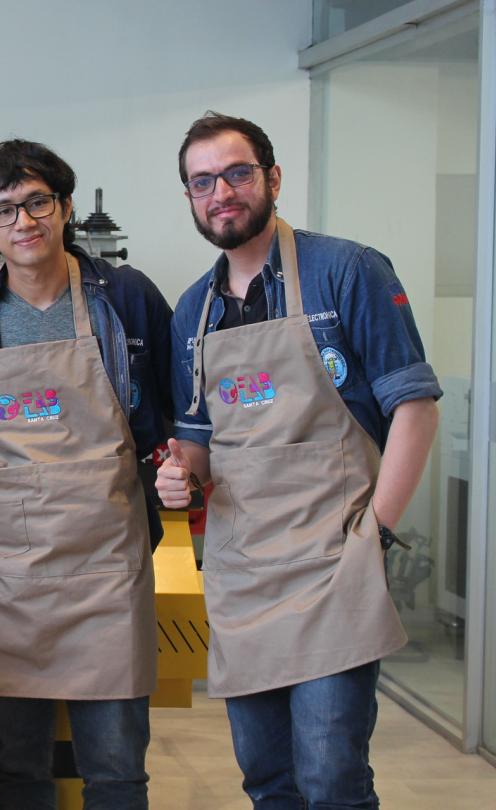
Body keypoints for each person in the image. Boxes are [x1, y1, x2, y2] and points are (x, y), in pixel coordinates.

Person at [157, 111, 441, 807]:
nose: (221, 192)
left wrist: (376, 531)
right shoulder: (193, 313)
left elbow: (416, 407)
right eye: (202, 182)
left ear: (272, 178)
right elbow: (198, 441)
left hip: (334, 565)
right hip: (244, 571)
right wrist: (178, 473)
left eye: (237, 173)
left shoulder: (347, 272)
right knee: (267, 778)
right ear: (190, 198)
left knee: (330, 776)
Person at [0, 139, 171, 809]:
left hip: (106, 569)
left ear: (65, 208)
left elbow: (166, 417)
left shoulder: (124, 298)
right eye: (4, 210)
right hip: (5, 575)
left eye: (38, 202)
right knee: (17, 769)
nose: (24, 222)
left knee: (118, 771)